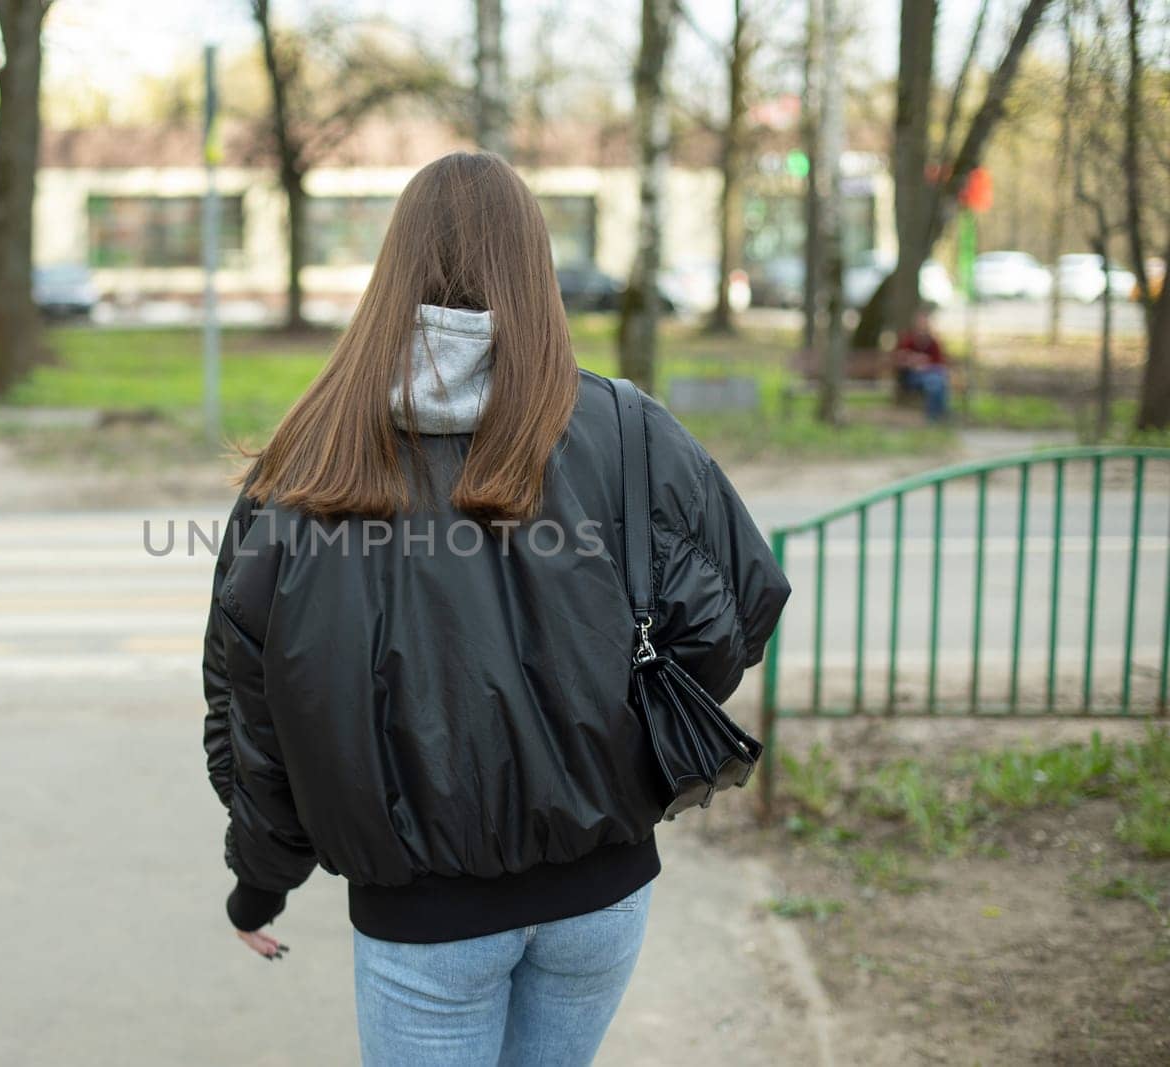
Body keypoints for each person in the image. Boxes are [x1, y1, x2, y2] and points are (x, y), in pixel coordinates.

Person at [201, 150, 791, 1066]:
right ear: (535, 268)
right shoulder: (628, 429)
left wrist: (260, 885)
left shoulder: (300, 471)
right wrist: (616, 726)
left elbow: (259, 718)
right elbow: (734, 613)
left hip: (423, 916)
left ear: (390, 269)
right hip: (602, 891)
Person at [893, 307, 951, 422]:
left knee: (936, 381)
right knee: (936, 382)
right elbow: (898, 360)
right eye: (921, 322)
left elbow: (940, 363)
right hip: (911, 377)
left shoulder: (933, 342)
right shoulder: (907, 340)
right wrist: (912, 362)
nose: (923, 325)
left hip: (931, 375)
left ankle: (935, 415)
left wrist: (926, 365)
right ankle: (938, 415)